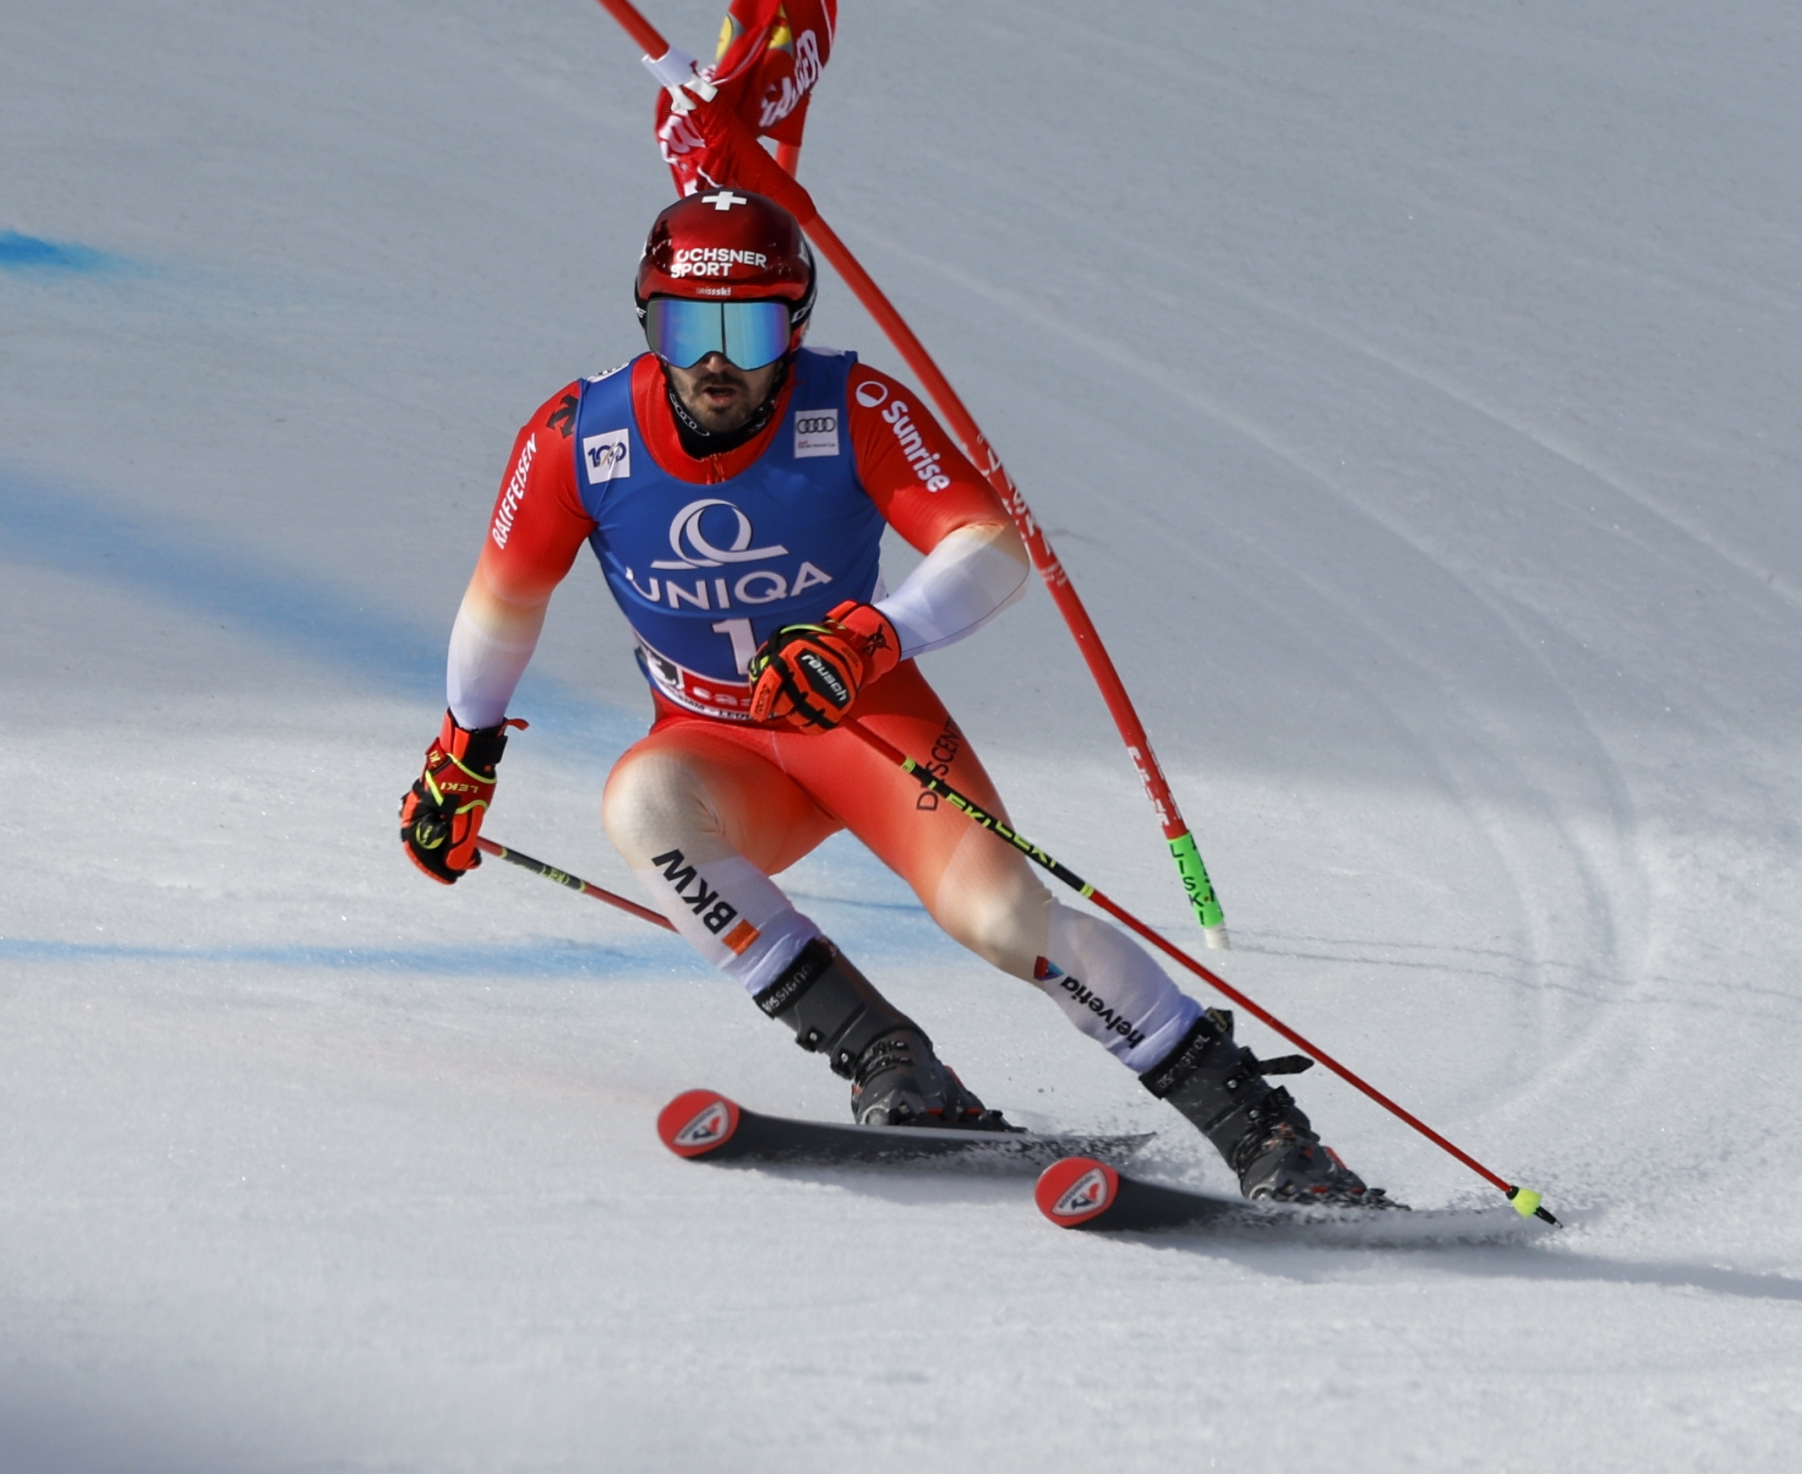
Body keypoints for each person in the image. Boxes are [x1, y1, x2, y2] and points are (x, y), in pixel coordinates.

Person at [398, 187, 1378, 1203]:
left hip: (859, 720)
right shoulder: (574, 435)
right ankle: (893, 1064)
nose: (718, 360)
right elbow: (502, 602)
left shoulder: (855, 408)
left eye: (754, 324)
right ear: (649, 319)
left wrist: (876, 634)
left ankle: (1270, 1136)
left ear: (801, 323)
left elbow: (990, 547)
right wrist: (463, 752)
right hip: (716, 748)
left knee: (1002, 919)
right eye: (690, 326)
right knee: (642, 807)